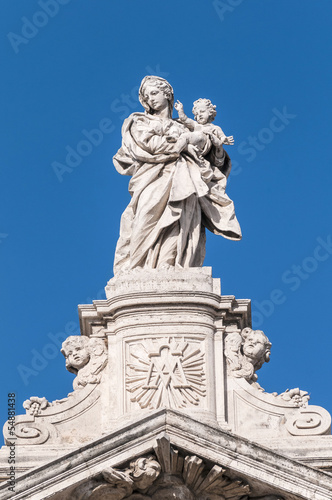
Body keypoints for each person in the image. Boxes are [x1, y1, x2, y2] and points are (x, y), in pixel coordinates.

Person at [113, 76, 241, 274]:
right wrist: (182, 145)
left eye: (154, 93)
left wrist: (211, 145)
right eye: (147, 96)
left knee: (179, 221)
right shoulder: (139, 121)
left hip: (186, 177)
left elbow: (214, 161)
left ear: (167, 94)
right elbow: (147, 145)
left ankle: (169, 264)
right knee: (146, 216)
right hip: (153, 178)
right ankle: (136, 266)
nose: (151, 99)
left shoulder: (186, 126)